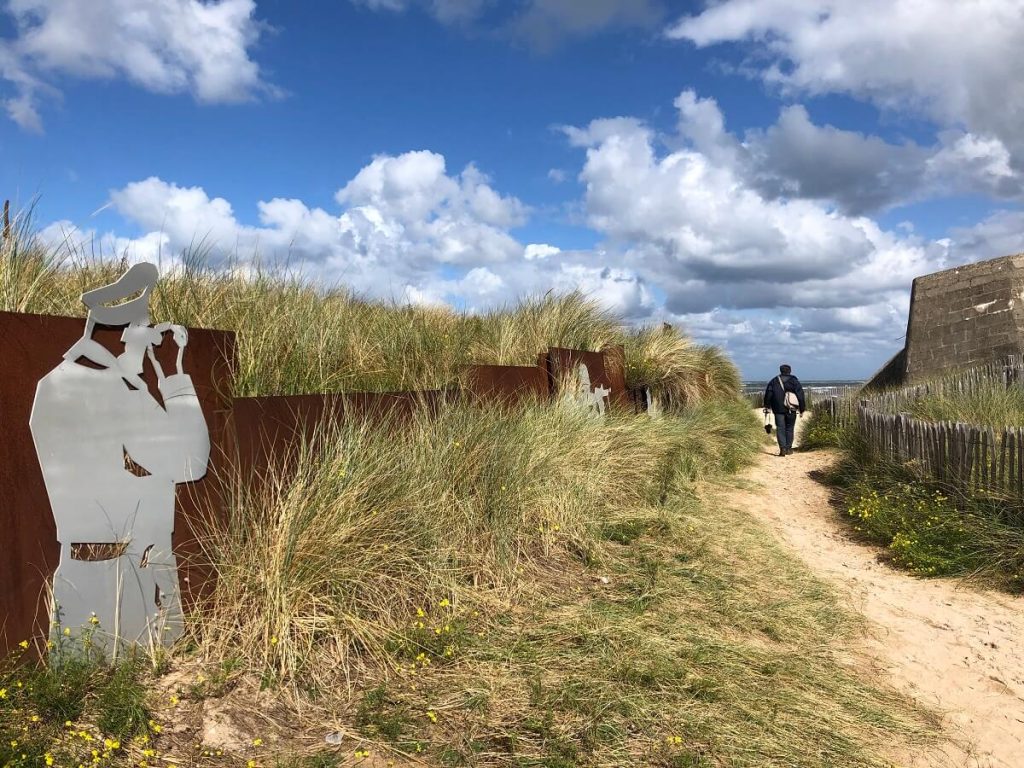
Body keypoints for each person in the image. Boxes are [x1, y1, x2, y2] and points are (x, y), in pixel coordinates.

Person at [29, 262, 210, 653]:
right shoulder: (122, 395)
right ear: (125, 336)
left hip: (80, 568)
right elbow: (190, 462)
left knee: (79, 671)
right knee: (144, 672)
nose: (149, 348)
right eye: (143, 337)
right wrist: (174, 375)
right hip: (131, 574)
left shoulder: (52, 384)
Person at [762, 364, 806, 456]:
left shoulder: (774, 381)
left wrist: (767, 406)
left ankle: (782, 449)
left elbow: (768, 394)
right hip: (791, 408)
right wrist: (802, 409)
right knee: (789, 428)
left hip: (777, 408)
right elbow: (800, 395)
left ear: (780, 370)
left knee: (780, 428)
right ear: (790, 371)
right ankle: (789, 449)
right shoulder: (794, 381)